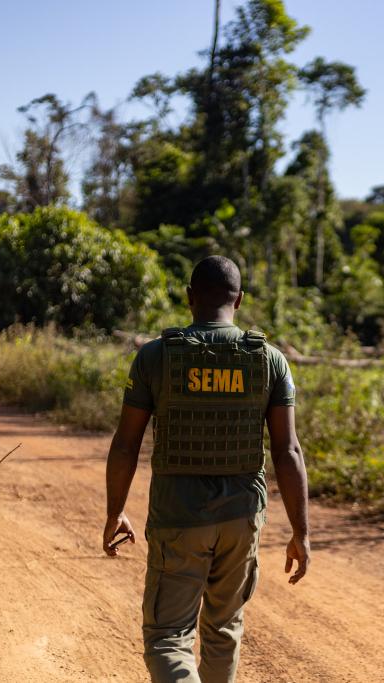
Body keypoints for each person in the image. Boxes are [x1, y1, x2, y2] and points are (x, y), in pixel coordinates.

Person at [101, 255, 309, 683]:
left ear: (190, 297)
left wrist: (114, 511)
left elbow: (126, 444)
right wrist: (300, 532)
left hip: (178, 515)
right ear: (240, 300)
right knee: (224, 630)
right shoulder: (270, 360)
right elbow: (287, 450)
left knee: (167, 637)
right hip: (242, 518)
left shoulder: (155, 357)